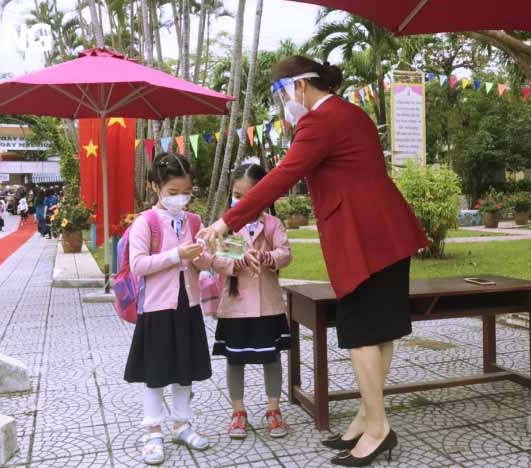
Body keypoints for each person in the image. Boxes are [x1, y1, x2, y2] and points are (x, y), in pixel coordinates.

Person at [199, 56, 429, 467]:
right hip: (389, 234)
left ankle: (378, 429)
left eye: (282, 93)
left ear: (300, 87)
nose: (284, 102)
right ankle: (368, 415)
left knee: (361, 335)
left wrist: (224, 222)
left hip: (364, 240)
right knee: (380, 332)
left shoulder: (319, 122)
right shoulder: (351, 113)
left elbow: (279, 177)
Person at [123, 153, 212, 466]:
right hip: (158, 308)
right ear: (155, 187)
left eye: (186, 192)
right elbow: (137, 265)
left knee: (184, 368)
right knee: (156, 372)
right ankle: (153, 430)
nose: (180, 199)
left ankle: (182, 425)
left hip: (188, 304)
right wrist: (176, 254)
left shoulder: (194, 221)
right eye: (173, 193)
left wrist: (202, 257)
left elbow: (205, 262)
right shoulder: (145, 223)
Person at [211, 163, 293, 440]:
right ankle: (238, 412)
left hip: (267, 306)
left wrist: (268, 257)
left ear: (265, 196)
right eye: (237, 194)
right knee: (235, 360)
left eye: (251, 196)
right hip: (236, 307)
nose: (243, 202)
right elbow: (217, 260)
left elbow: (286, 253)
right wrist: (240, 261)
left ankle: (273, 409)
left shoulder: (272, 224)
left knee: (271, 358)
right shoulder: (227, 226)